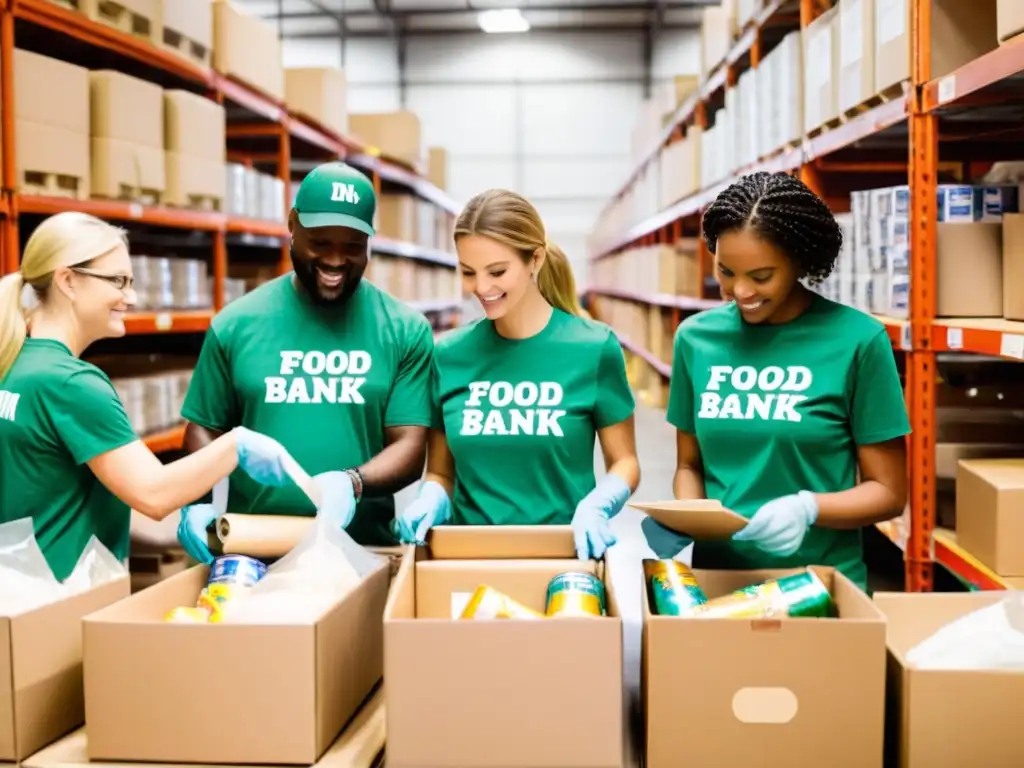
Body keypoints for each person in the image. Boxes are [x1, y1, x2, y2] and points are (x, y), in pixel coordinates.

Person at [641, 171, 910, 590]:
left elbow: (889, 492)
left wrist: (808, 508)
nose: (741, 291)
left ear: (800, 260)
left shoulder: (858, 341)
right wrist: (688, 512)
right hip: (715, 582)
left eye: (761, 276)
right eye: (726, 272)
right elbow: (689, 465)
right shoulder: (695, 340)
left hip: (817, 585)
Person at [0, 212, 299, 582]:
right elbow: (154, 495)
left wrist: (184, 526)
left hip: (18, 598)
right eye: (118, 281)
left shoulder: (14, 365)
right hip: (63, 605)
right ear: (68, 281)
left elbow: (60, 496)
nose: (131, 296)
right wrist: (235, 445)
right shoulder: (71, 384)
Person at [177, 161, 435, 563]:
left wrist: (353, 483)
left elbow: (410, 445)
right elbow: (203, 428)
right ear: (292, 225)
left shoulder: (404, 330)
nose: (335, 261)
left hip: (361, 552)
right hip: (254, 552)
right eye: (321, 242)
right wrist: (197, 499)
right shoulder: (236, 325)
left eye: (352, 246)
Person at [393, 189, 641, 561]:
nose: (481, 288)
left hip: (564, 561)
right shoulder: (449, 355)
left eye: (497, 271)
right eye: (468, 272)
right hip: (466, 561)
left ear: (535, 259)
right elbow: (442, 474)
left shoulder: (593, 348)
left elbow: (625, 462)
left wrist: (599, 505)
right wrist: (431, 497)